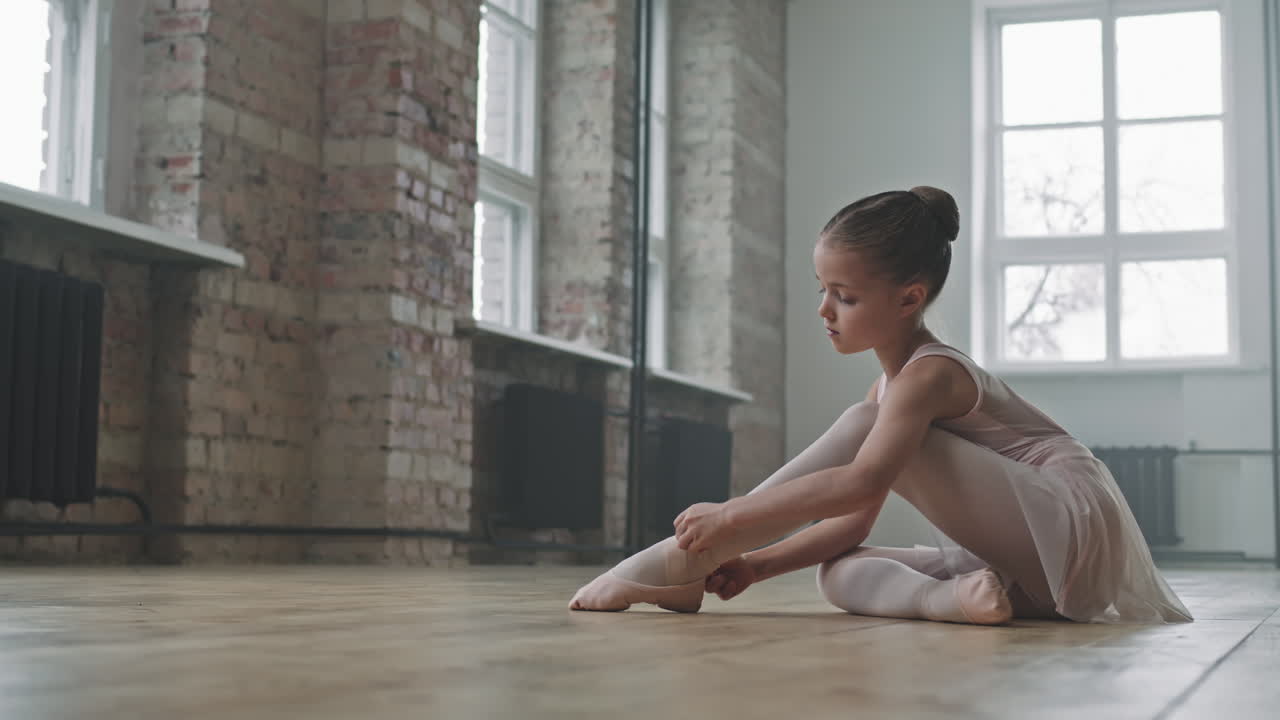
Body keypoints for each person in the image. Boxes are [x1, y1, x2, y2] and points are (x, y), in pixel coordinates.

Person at [569, 186, 1192, 624]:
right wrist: (757, 566)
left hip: (1067, 526)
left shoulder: (930, 375)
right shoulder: (891, 392)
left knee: (865, 426)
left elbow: (860, 480)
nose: (824, 311)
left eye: (843, 296)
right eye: (823, 291)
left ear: (907, 298)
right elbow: (856, 517)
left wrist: (731, 519)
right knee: (838, 572)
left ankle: (681, 561)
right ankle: (955, 602)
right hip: (1032, 572)